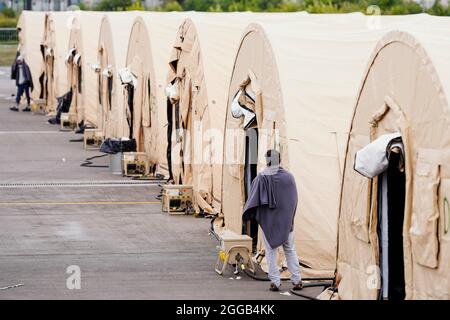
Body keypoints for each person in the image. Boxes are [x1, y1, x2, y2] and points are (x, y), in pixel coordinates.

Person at [242, 149, 302, 292]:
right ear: (279, 159)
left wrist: (248, 214)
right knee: (290, 250)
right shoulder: (289, 177)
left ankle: (275, 282)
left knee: (270, 251)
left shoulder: (261, 177)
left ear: (267, 160)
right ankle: (297, 280)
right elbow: (294, 201)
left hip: (270, 224)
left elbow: (252, 199)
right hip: (287, 224)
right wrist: (289, 218)